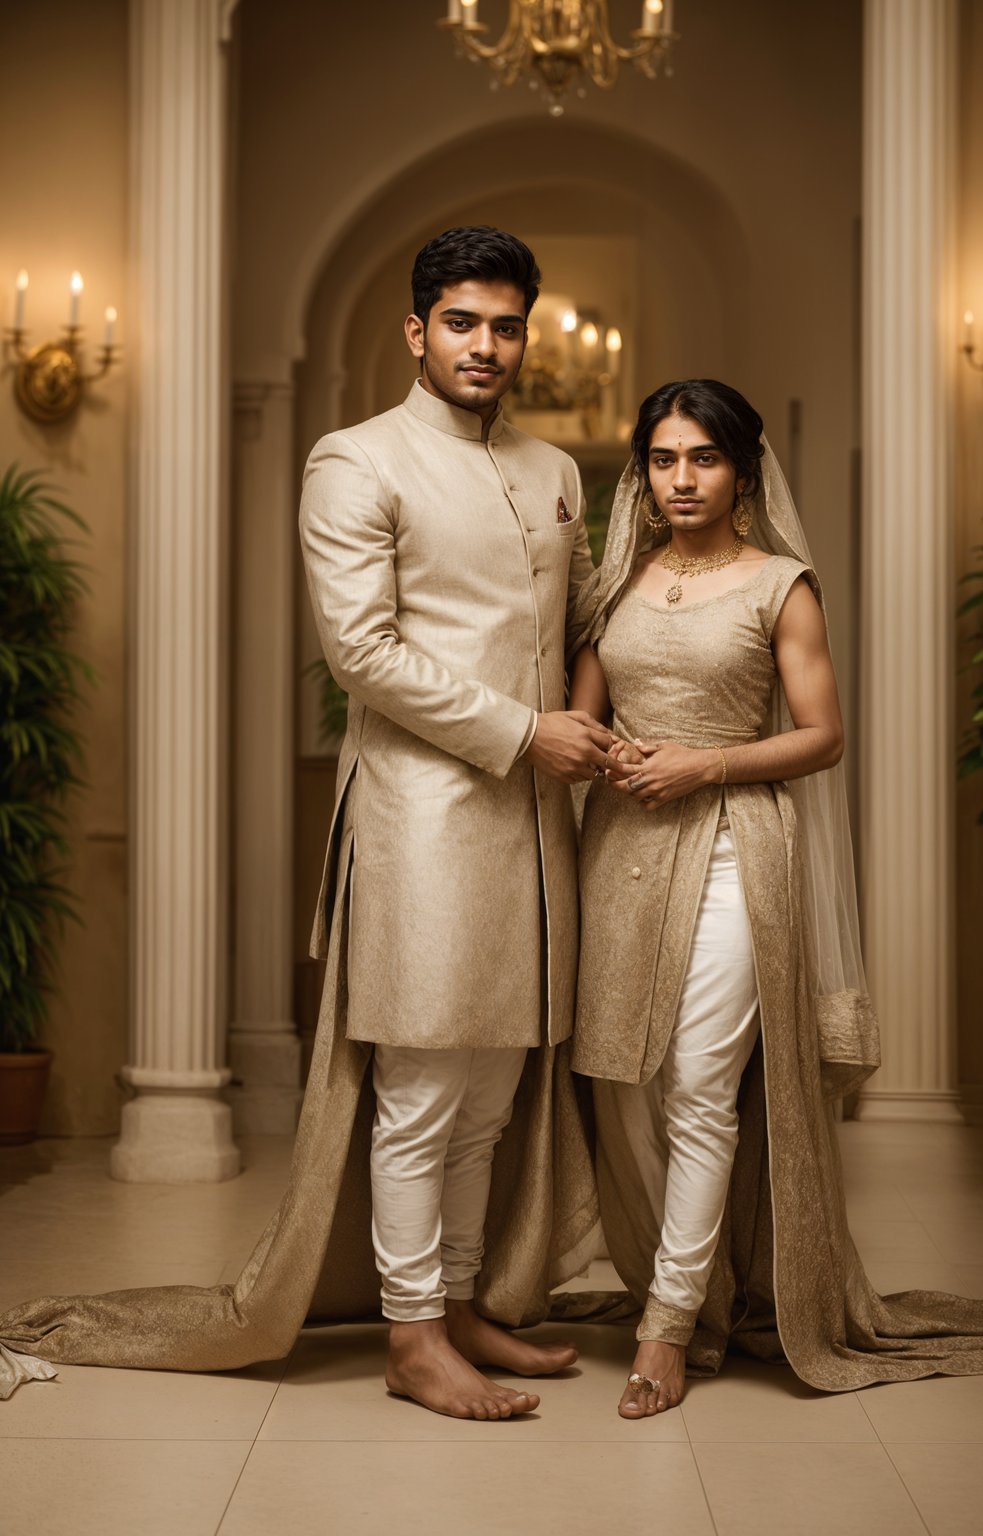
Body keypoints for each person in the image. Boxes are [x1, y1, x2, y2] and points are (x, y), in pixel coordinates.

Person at [0, 227, 610, 1412]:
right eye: (462, 323)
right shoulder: (355, 460)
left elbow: (582, 624)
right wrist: (525, 733)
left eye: (506, 324)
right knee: (426, 1084)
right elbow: (363, 654)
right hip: (424, 817)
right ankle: (409, 1334)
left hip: (543, 828)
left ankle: (468, 1302)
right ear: (415, 329)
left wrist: (577, 730)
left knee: (492, 1088)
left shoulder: (552, 473)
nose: (487, 346)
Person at [569, 379, 983, 1419]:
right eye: (664, 458)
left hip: (738, 844)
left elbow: (823, 736)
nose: (681, 479)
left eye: (704, 458)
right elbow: (580, 726)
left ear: (741, 469)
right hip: (623, 852)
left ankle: (667, 1327)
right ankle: (694, 1279)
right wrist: (611, 757)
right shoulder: (616, 584)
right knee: (622, 1085)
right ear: (642, 471)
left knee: (696, 1083)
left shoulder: (781, 583)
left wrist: (704, 768)